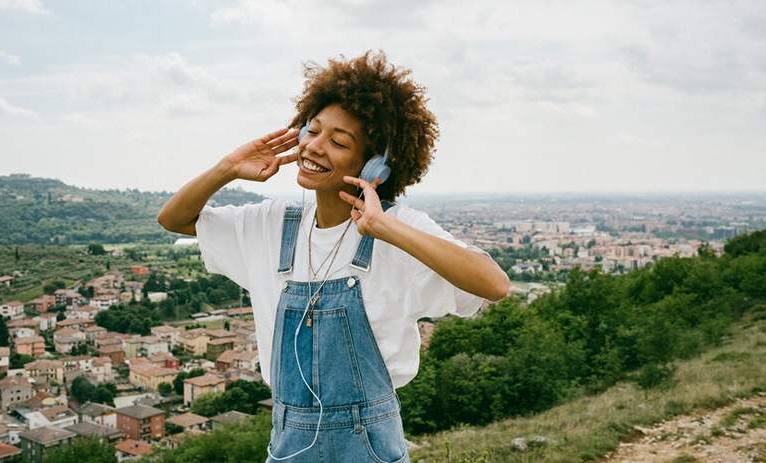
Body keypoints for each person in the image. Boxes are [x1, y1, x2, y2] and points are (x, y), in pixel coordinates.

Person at [158, 50, 510, 463]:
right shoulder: (272, 222)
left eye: (339, 141)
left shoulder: (401, 228)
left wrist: (386, 228)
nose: (315, 147)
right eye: (312, 130)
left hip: (370, 446)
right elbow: (175, 219)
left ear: (375, 165)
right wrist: (227, 168)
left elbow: (495, 284)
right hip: (288, 441)